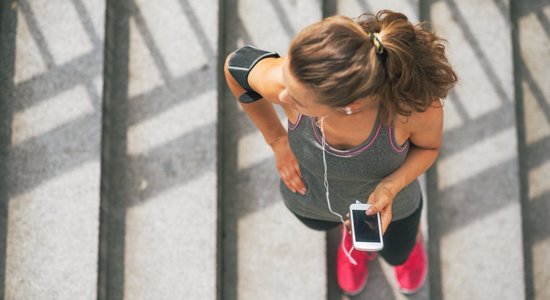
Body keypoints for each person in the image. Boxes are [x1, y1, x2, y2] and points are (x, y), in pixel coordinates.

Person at [224, 10, 457, 295]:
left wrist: (390, 186)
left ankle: (398, 250)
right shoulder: (289, 84)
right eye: (287, 83)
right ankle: (353, 236)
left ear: (350, 106)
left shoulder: (413, 109)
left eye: (296, 101)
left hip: (393, 208)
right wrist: (276, 140)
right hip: (316, 202)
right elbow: (235, 68)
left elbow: (429, 148)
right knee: (326, 227)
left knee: (398, 252)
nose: (282, 98)